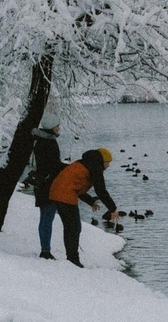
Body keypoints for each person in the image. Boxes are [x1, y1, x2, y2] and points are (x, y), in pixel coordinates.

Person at [49, 148, 119, 268]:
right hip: (65, 195)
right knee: (74, 228)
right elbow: (101, 190)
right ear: (103, 160)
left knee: (71, 227)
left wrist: (91, 201)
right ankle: (73, 260)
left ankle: (72, 259)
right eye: (108, 162)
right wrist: (112, 208)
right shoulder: (95, 167)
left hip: (57, 192)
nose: (108, 166)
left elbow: (76, 184)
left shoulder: (86, 163)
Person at [31, 110, 66, 260]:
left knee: (45, 217)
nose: (59, 128)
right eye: (57, 126)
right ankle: (45, 251)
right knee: (47, 217)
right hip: (48, 185)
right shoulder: (49, 142)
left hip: (41, 183)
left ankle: (45, 249)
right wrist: (68, 168)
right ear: (51, 126)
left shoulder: (39, 140)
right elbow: (53, 165)